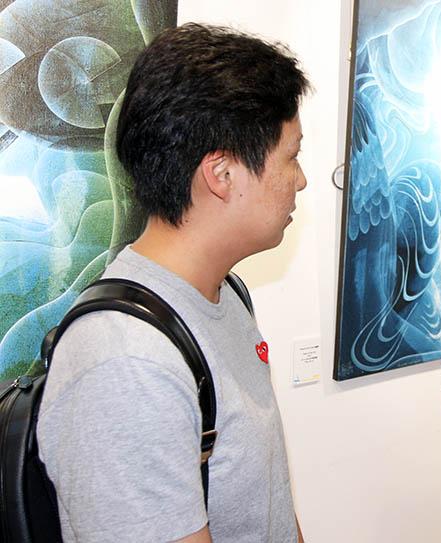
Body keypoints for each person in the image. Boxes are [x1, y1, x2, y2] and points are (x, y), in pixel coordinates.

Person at [37, 23, 309, 542]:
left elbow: (265, 504)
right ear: (222, 173)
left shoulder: (225, 296)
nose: (301, 179)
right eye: (291, 155)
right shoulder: (126, 360)